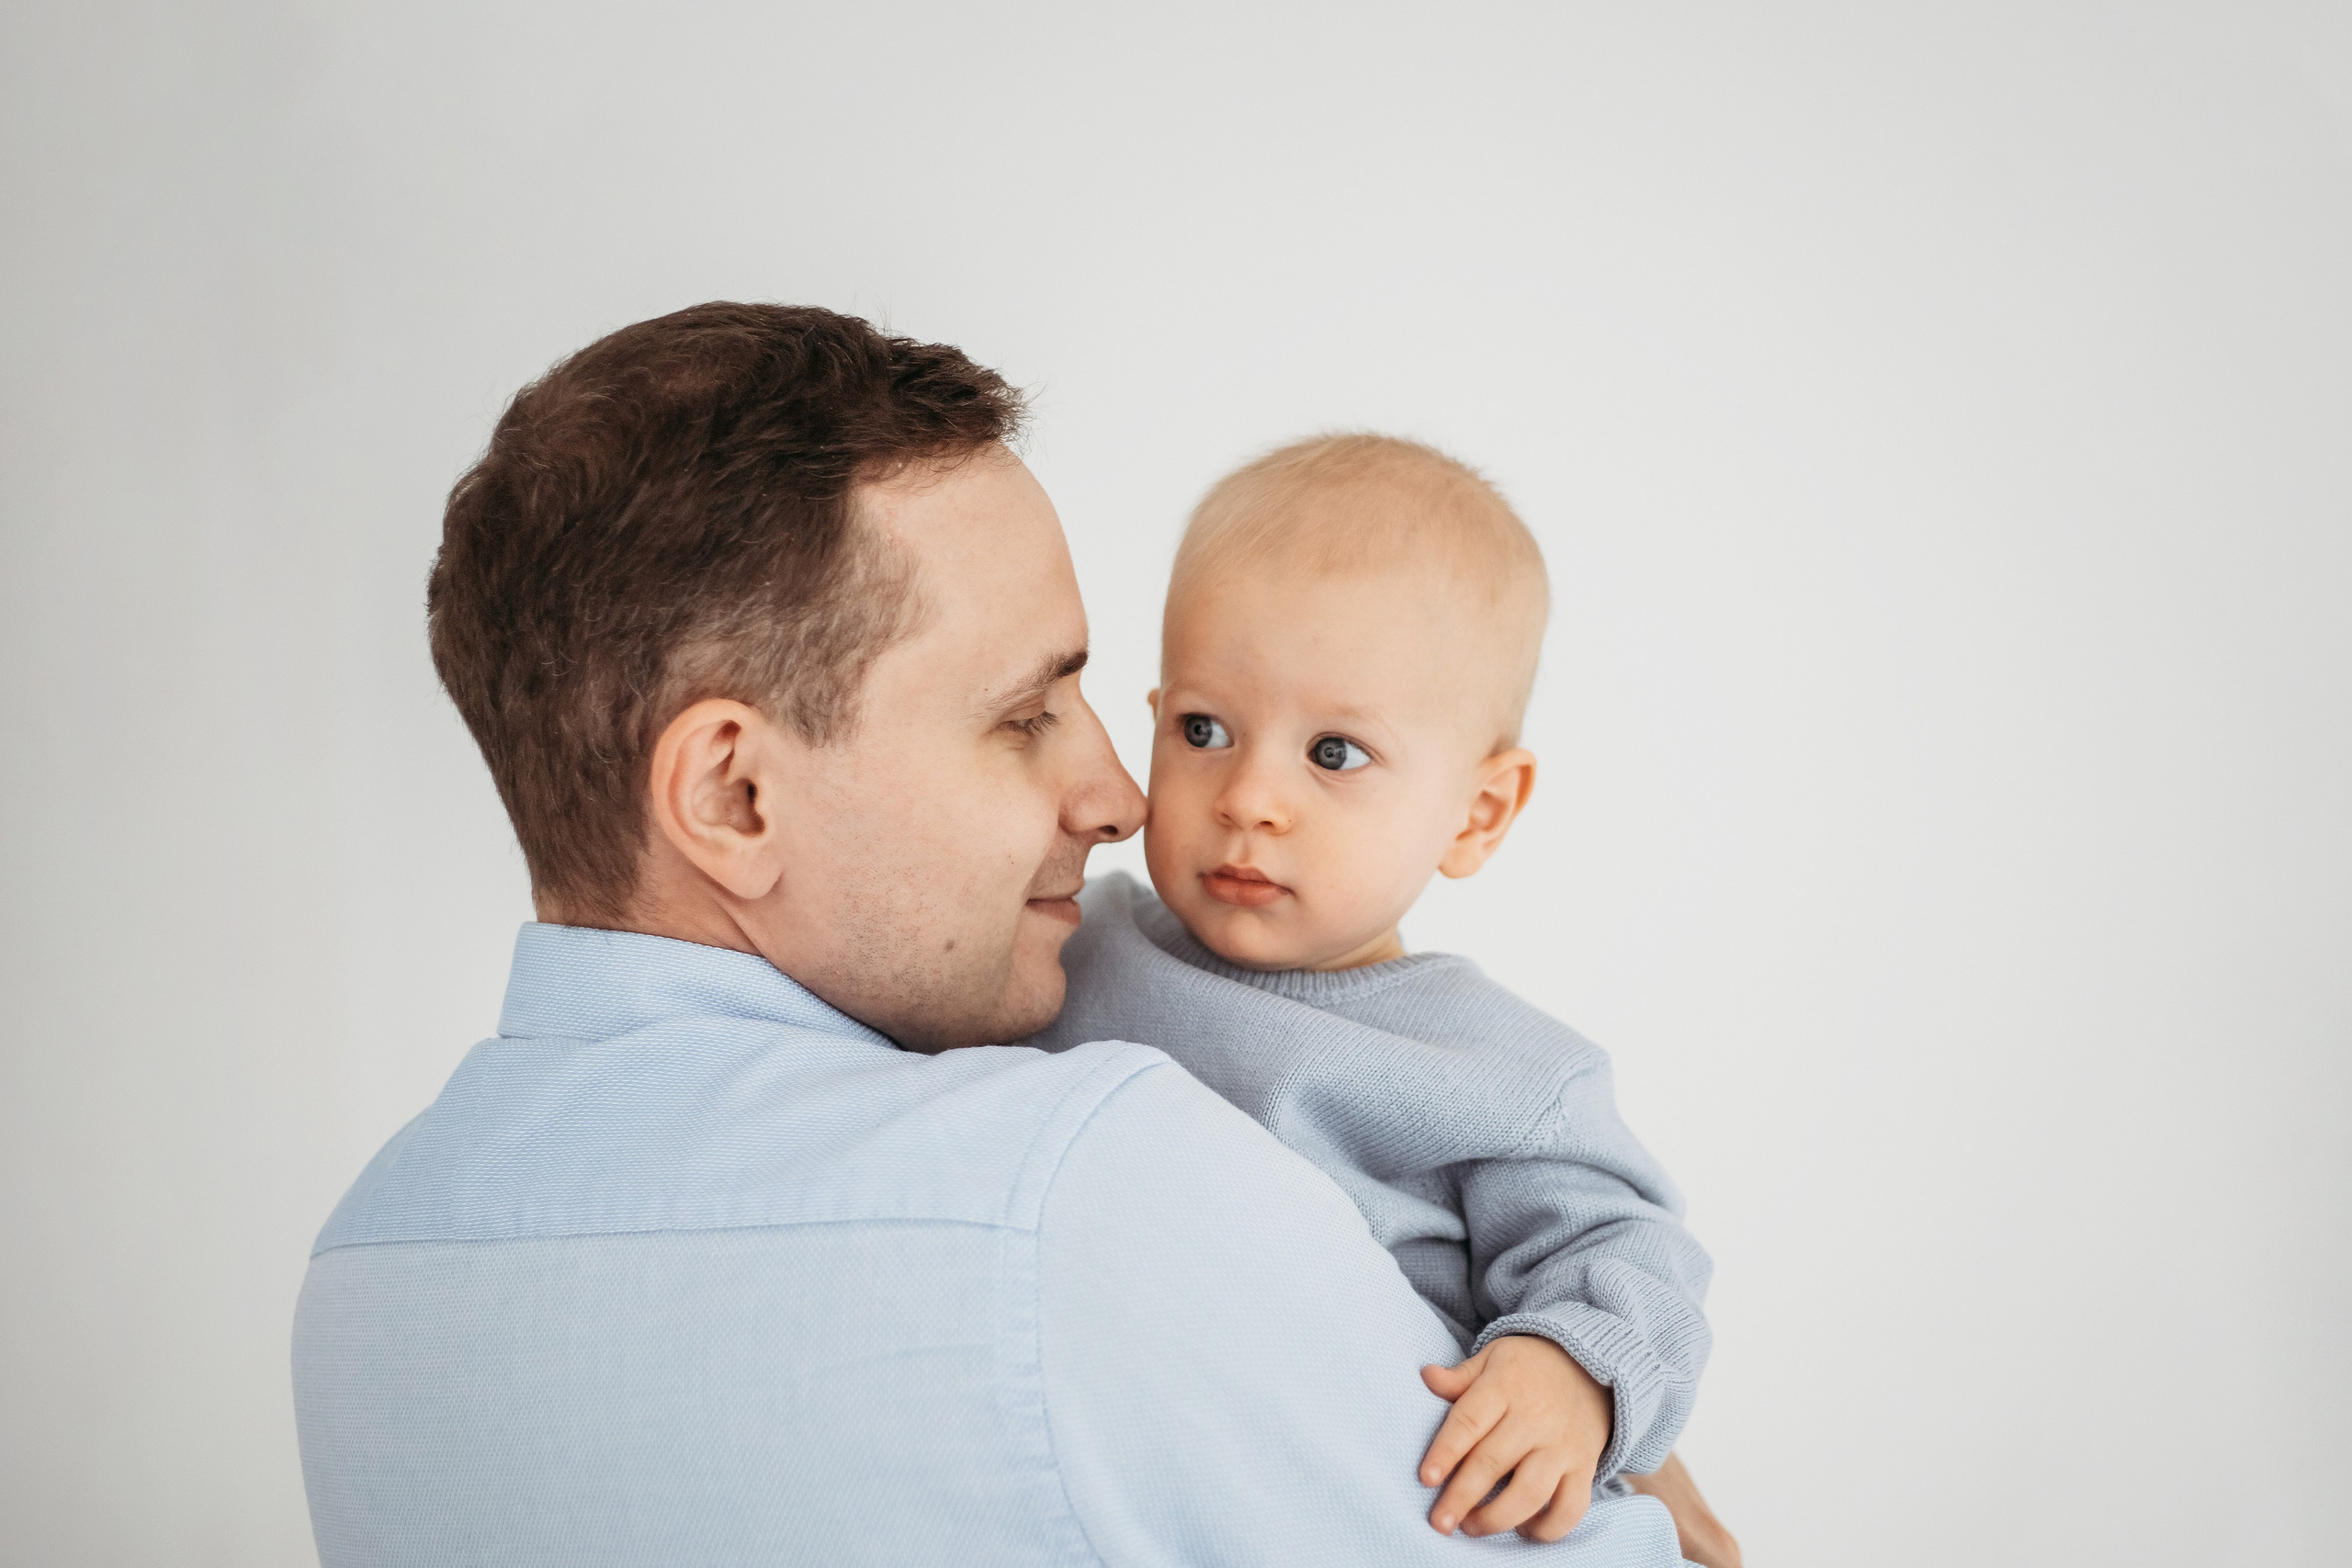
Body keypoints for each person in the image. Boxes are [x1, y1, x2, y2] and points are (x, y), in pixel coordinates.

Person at [289, 301, 1699, 1566]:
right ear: (733, 793)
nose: (1125, 797)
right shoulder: (1084, 1182)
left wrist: (1593, 1363)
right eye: (1025, 715)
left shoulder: (360, 1275)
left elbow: (1617, 1248)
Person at [1023, 434, 1716, 1550]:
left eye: (1335, 754)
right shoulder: (1076, 946)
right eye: (1203, 730)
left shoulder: (1502, 1071)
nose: (1248, 797)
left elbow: (1624, 1255)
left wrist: (1571, 1369)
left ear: (1478, 814)